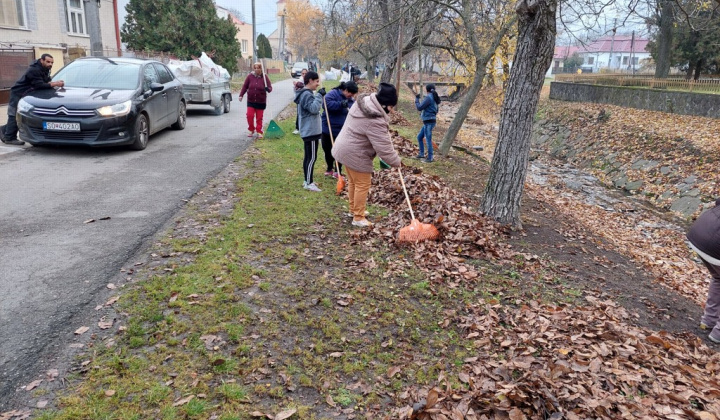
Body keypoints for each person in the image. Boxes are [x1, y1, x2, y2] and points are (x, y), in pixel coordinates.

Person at [332, 83, 402, 227]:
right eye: (390, 106)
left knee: (353, 182)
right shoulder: (374, 119)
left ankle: (353, 210)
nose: (391, 109)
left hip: (344, 147)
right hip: (355, 153)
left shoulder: (365, 102)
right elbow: (384, 149)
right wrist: (397, 161)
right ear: (383, 105)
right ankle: (358, 217)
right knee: (362, 184)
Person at [1, 54, 64, 146]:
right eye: (48, 62)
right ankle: (9, 138)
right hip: (18, 94)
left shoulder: (45, 69)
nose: (50, 64)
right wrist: (55, 84)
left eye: (51, 62)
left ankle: (4, 130)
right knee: (14, 115)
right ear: (41, 60)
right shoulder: (34, 70)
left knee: (19, 115)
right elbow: (39, 85)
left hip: (27, 94)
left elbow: (45, 82)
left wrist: (54, 84)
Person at [687, 198, 720, 343]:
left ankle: (708, 321)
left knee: (718, 277)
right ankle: (718, 333)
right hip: (715, 245)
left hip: (699, 232)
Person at [294, 71, 325, 192]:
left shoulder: (306, 93)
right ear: (310, 81)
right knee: (311, 157)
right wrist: (319, 96)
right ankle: (309, 182)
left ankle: (307, 180)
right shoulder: (306, 94)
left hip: (310, 130)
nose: (318, 84)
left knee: (308, 157)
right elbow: (313, 108)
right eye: (317, 81)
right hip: (310, 131)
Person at [321, 81, 358, 179]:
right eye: (350, 93)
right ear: (345, 90)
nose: (351, 96)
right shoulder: (333, 93)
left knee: (340, 150)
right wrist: (340, 104)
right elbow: (325, 104)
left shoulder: (351, 100)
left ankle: (338, 171)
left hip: (342, 130)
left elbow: (354, 110)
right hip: (328, 127)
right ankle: (329, 168)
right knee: (328, 150)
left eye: (353, 94)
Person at [238, 62, 272, 139]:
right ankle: (251, 129)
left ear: (261, 68)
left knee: (259, 118)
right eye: (255, 68)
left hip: (261, 101)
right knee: (249, 115)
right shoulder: (250, 76)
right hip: (251, 100)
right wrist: (241, 95)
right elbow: (245, 86)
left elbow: (270, 87)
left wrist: (268, 89)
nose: (256, 69)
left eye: (258, 68)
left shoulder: (264, 77)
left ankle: (259, 131)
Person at [414, 83, 441, 163]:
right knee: (419, 137)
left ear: (427, 90)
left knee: (428, 140)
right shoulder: (434, 97)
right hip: (430, 121)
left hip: (429, 122)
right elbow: (436, 110)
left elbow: (419, 107)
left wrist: (416, 99)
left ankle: (430, 158)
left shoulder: (429, 97)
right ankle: (421, 154)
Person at [292, 68, 308, 135]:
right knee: (299, 114)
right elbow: (295, 91)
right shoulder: (299, 81)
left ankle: (305, 127)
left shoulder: (309, 80)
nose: (304, 75)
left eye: (305, 73)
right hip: (300, 100)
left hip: (307, 99)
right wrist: (296, 86)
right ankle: (297, 128)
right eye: (303, 73)